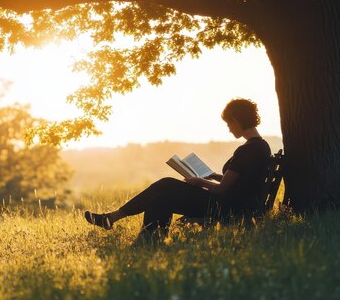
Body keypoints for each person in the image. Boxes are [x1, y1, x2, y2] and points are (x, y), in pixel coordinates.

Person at [84, 98, 271, 243]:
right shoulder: (261, 147)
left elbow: (221, 189)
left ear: (237, 121)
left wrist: (199, 182)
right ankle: (144, 239)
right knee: (161, 197)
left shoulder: (248, 149)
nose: (229, 129)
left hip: (225, 207)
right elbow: (241, 181)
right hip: (234, 203)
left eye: (229, 124)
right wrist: (214, 176)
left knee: (166, 184)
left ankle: (123, 224)